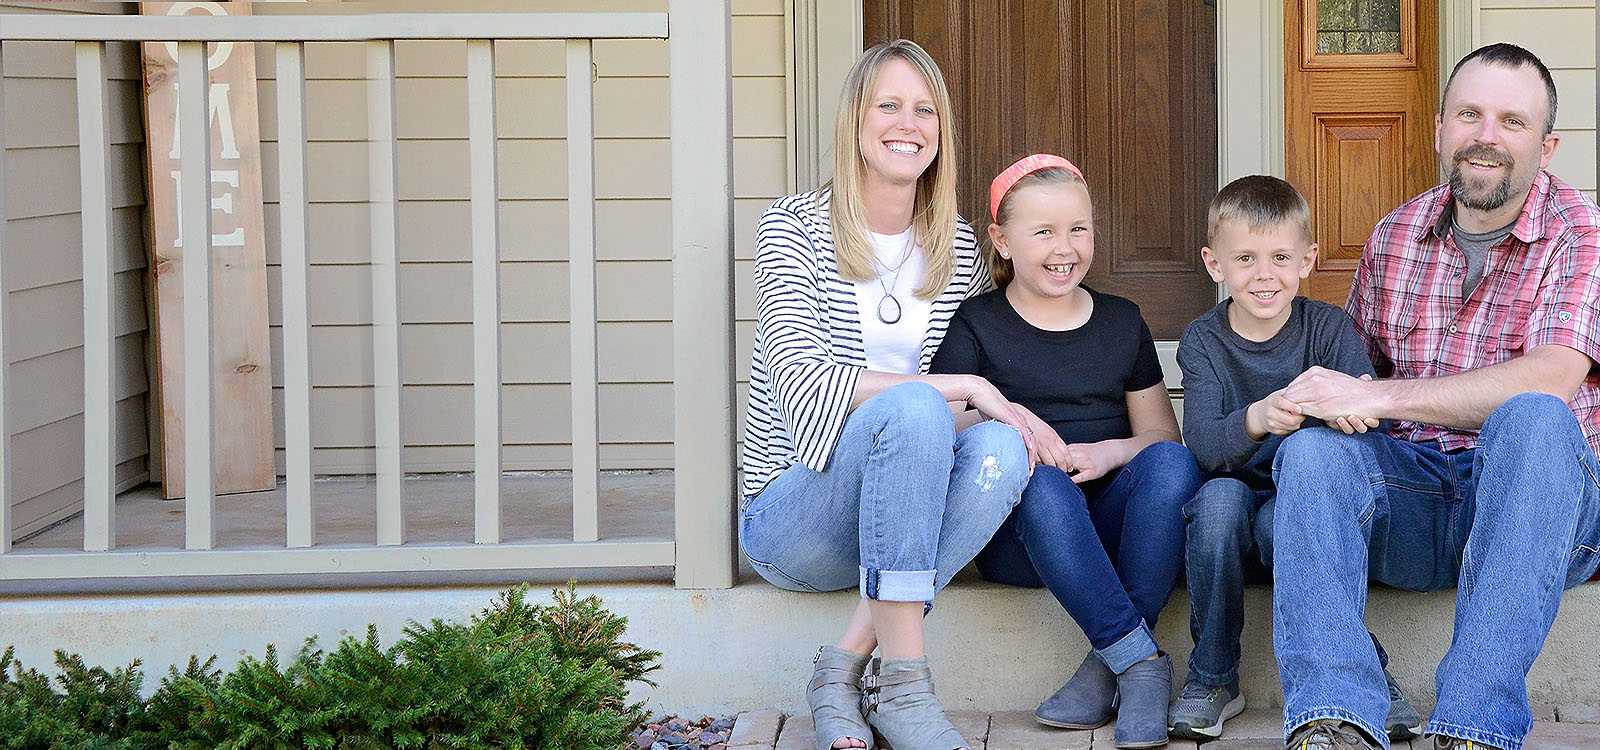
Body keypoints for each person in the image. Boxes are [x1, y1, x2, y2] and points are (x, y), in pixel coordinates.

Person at [1268, 44, 1600, 750]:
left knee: (1537, 418)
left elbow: (1549, 378)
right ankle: (1336, 716)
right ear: (1441, 129)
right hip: (1417, 499)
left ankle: (1472, 727)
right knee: (1315, 455)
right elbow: (1359, 383)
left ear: (1547, 146)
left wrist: (1384, 398)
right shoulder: (1395, 235)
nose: (1487, 135)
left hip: (1541, 518)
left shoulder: (1583, 234)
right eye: (1470, 114)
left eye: (1512, 121)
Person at [739, 40, 1035, 750]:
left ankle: (845, 672)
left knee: (1002, 446)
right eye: (890, 105)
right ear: (855, 121)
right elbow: (808, 390)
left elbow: (964, 422)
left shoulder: (961, 250)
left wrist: (967, 403)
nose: (909, 123)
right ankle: (908, 680)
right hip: (797, 512)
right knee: (914, 405)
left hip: (903, 513)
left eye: (925, 109)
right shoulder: (792, 230)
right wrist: (958, 385)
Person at [931, 154, 1203, 749]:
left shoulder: (1121, 321)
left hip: (1116, 531)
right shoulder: (975, 323)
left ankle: (1116, 665)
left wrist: (1107, 454)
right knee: (1039, 481)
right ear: (1001, 242)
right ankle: (1141, 661)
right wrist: (1028, 439)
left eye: (1078, 228)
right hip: (1021, 537)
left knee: (1174, 467)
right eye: (1043, 231)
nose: (1065, 247)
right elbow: (945, 430)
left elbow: (1162, 440)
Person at [1170, 175, 1423, 743]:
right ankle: (1214, 675)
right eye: (1246, 258)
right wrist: (1258, 416)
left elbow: (1365, 425)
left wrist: (1342, 410)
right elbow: (1205, 449)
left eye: (1281, 257)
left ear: (1308, 259)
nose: (1265, 274)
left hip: (1300, 512)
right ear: (1215, 265)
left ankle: (1366, 673)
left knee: (1294, 517)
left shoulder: (1328, 329)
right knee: (1216, 504)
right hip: (1230, 504)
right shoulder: (1202, 340)